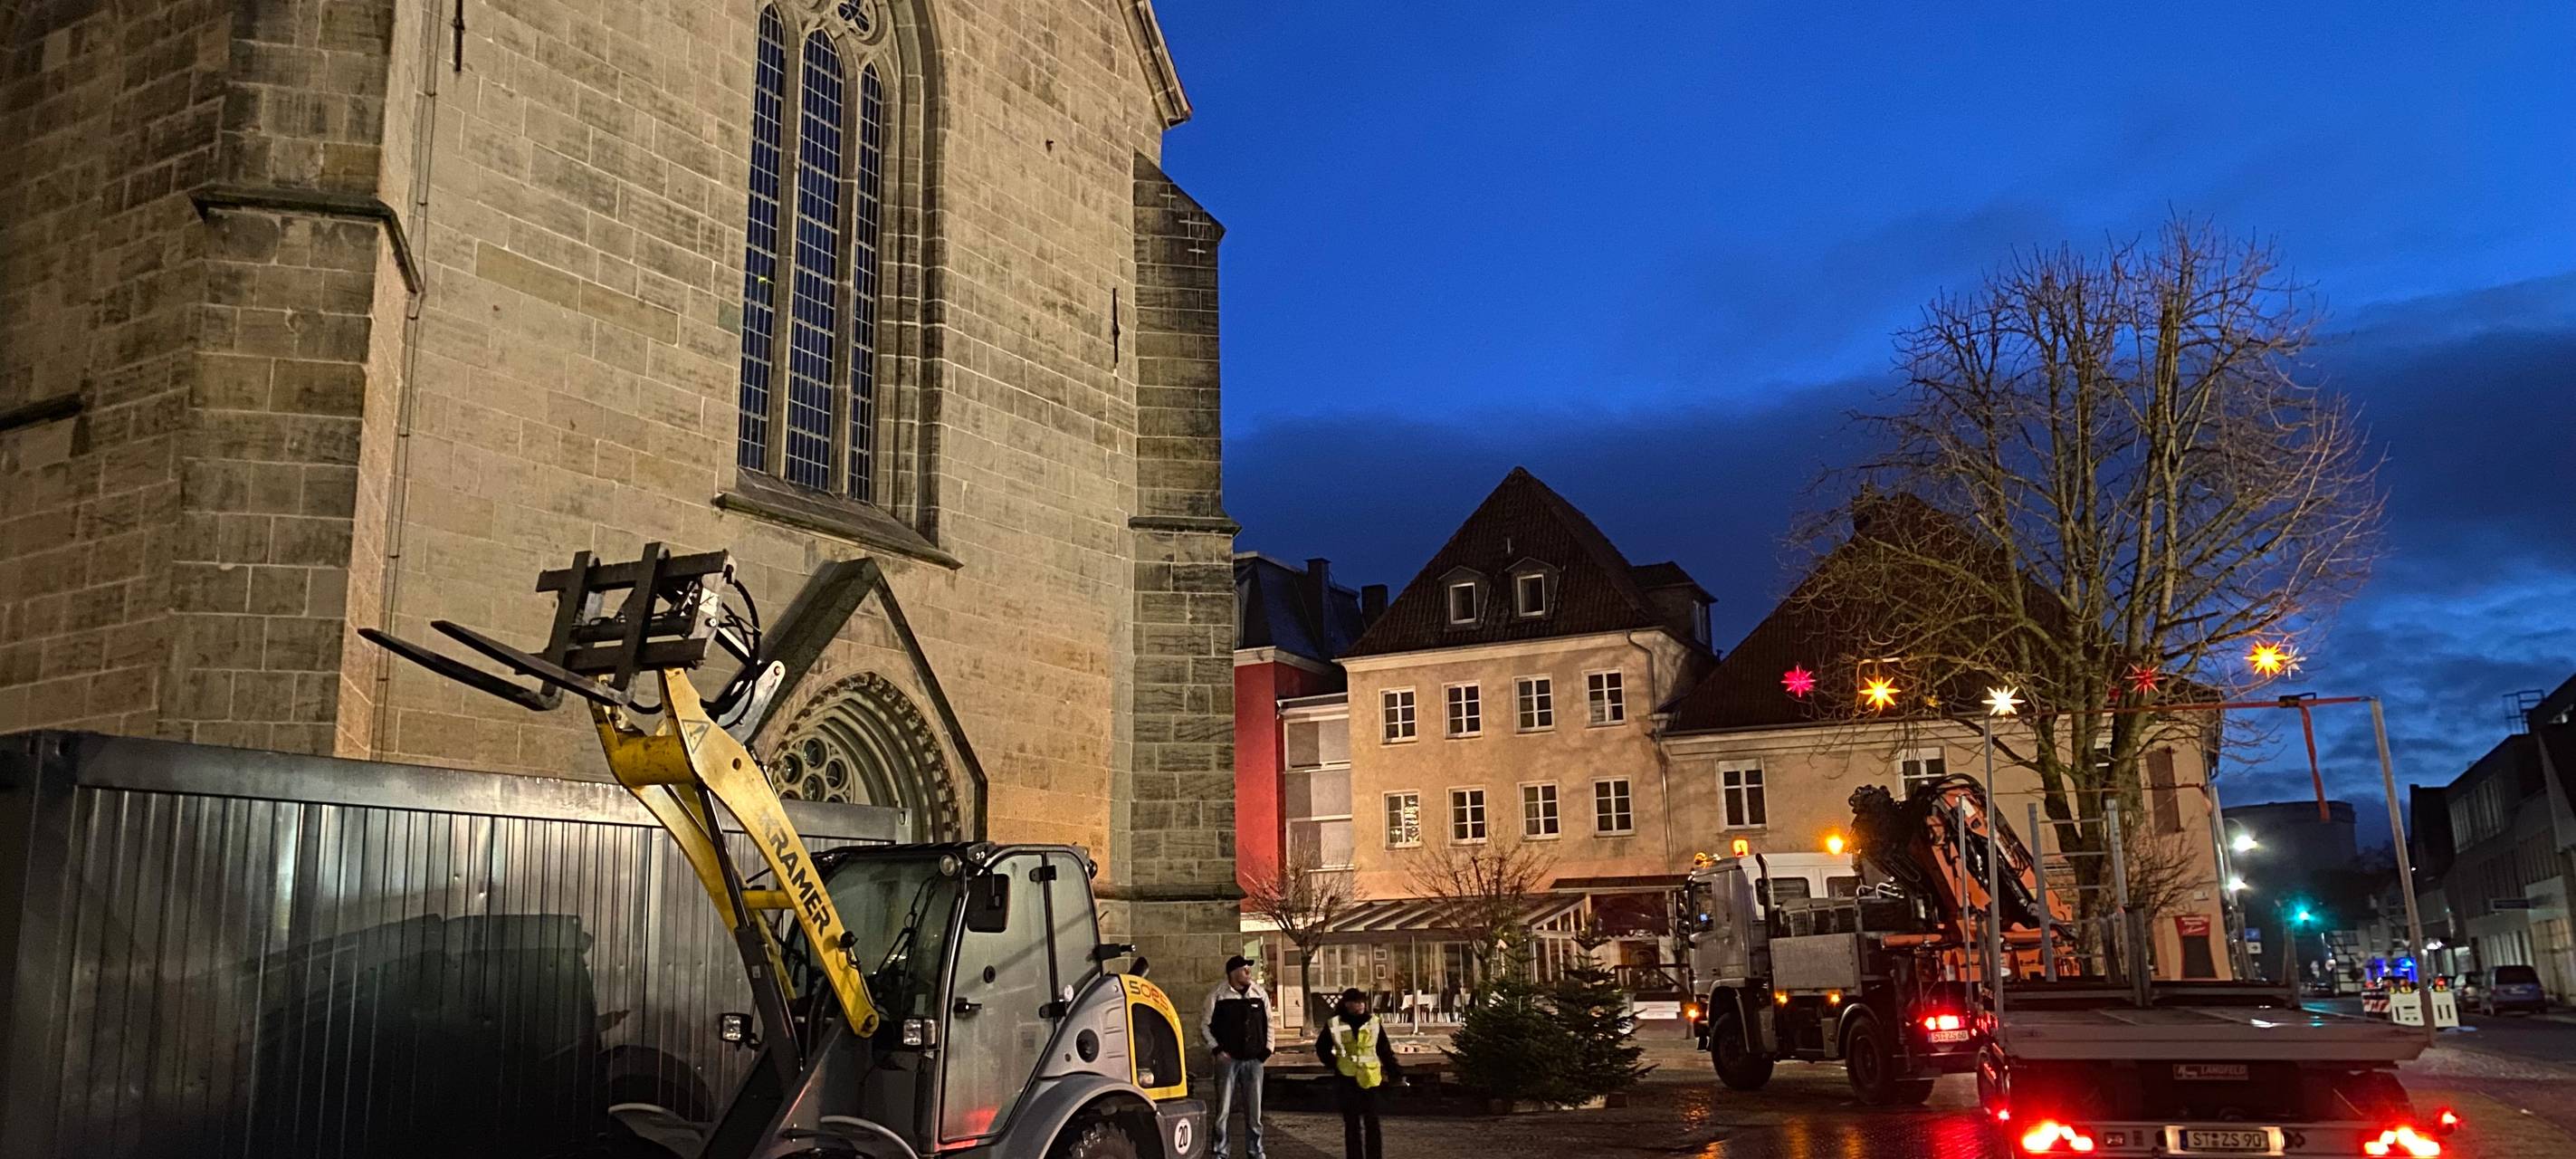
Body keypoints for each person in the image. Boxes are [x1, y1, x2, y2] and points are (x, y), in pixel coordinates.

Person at [1200, 954, 1274, 1159]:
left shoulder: (1259, 994)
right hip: (1228, 1060)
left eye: (1248, 968)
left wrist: (1267, 1050)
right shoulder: (1217, 995)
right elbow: (1205, 1026)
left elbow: (1269, 1023)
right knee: (1223, 1110)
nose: (1248, 972)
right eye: (1244, 969)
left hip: (1254, 1060)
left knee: (1254, 1112)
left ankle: (1256, 1151)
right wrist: (1217, 1050)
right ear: (1233, 973)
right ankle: (1220, 1151)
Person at [1315, 987, 1401, 1159]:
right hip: (1346, 1078)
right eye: (1356, 1002)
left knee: (1372, 1122)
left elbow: (1384, 1049)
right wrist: (1334, 1064)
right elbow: (1321, 1047)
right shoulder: (1335, 1023)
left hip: (1370, 1078)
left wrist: (1394, 1071)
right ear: (1347, 1004)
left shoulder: (1373, 1022)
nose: (1361, 1005)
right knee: (1352, 1123)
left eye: (1362, 1002)